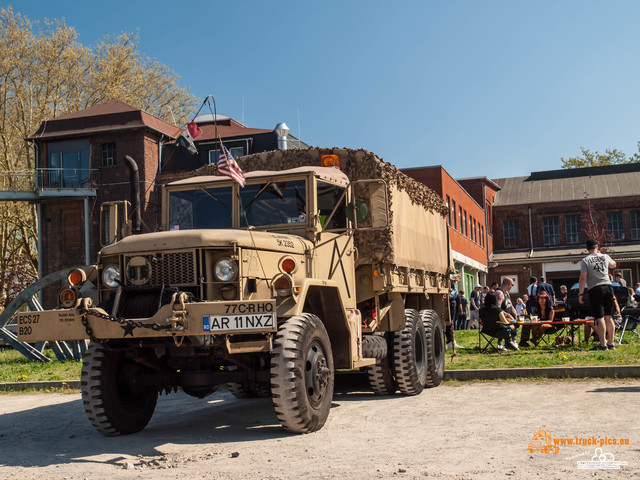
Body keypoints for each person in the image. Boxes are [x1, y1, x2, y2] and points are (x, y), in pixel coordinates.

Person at [578, 239, 617, 351]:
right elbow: (613, 264)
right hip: (608, 286)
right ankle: (611, 342)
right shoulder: (605, 256)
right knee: (609, 316)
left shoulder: (586, 260)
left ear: (587, 248)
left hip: (595, 288)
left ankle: (603, 344)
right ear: (597, 246)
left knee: (599, 317)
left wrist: (581, 293)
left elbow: (583, 278)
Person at [495, 277, 520, 350]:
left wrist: (515, 313)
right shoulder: (499, 293)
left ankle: (513, 342)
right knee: (514, 325)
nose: (512, 286)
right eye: (512, 285)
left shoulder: (506, 293)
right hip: (503, 318)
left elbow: (510, 305)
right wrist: (507, 315)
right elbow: (497, 309)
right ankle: (502, 344)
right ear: (509, 285)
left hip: (509, 317)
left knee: (516, 323)